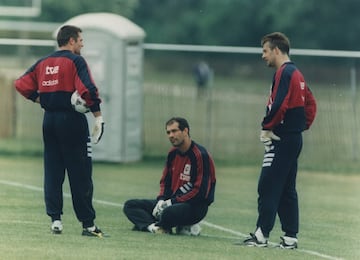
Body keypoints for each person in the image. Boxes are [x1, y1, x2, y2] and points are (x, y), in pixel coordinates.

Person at [14, 25, 106, 237]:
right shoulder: (76, 61)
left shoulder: (43, 62)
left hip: (49, 121)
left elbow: (21, 84)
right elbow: (88, 90)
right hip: (71, 121)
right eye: (81, 40)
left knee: (53, 171)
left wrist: (42, 99)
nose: (82, 44)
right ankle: (88, 225)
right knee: (81, 172)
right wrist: (98, 116)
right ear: (71, 41)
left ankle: (56, 220)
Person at [242, 32, 317, 248]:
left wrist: (267, 128)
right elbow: (311, 105)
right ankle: (290, 237)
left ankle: (261, 235)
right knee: (286, 188)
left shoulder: (284, 72)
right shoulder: (297, 73)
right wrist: (300, 127)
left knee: (267, 185)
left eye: (265, 51)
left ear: (276, 50)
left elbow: (280, 104)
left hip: (281, 138)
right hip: (292, 138)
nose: (263, 56)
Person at [123, 117, 216, 235]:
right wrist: (161, 200)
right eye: (168, 132)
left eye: (174, 131)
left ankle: (183, 224)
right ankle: (154, 227)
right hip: (172, 202)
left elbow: (200, 192)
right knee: (130, 205)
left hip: (195, 206)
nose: (171, 135)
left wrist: (171, 202)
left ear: (185, 131)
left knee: (168, 212)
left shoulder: (200, 155)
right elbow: (165, 182)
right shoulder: (172, 153)